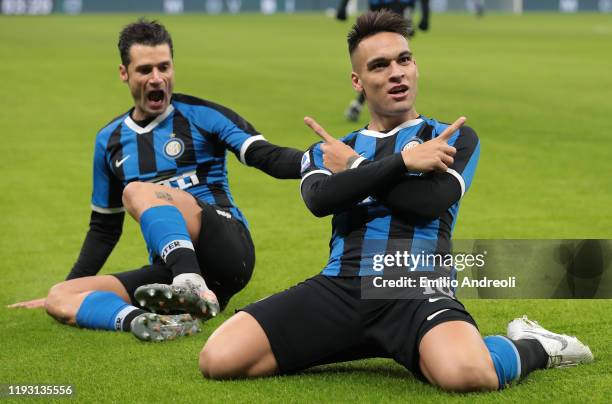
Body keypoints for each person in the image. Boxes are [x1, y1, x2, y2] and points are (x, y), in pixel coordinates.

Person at [197, 11, 593, 390]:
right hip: (342, 286)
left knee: (469, 374)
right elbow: (320, 199)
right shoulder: (333, 147)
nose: (396, 72)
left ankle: (536, 344)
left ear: (415, 66)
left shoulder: (450, 136)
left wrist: (354, 166)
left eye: (404, 59)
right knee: (219, 358)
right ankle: (360, 338)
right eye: (380, 65)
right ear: (358, 80)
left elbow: (427, 202)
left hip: (416, 288)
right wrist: (402, 162)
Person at [11, 19, 303, 341]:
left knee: (138, 191)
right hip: (170, 272)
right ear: (124, 73)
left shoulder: (201, 115)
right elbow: (104, 230)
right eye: (145, 70)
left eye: (164, 67)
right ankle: (147, 320)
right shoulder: (109, 140)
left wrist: (318, 161)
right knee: (60, 297)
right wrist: (73, 283)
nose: (157, 79)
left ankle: (190, 283)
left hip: (227, 247)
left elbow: (266, 155)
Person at [339, 0, 431, 121]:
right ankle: (363, 106)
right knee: (380, 68)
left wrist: (425, 16)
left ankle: (361, 106)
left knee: (390, 68)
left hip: (398, 23)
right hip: (375, 24)